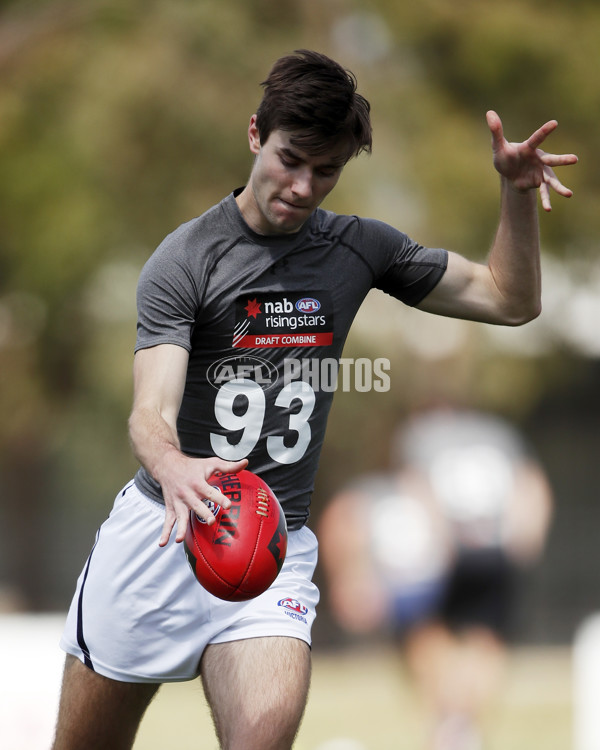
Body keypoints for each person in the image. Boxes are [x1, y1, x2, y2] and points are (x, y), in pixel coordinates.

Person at [52, 49, 576, 750]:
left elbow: (510, 302)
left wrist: (514, 194)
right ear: (254, 136)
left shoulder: (359, 250)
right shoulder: (185, 261)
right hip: (162, 534)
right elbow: (150, 412)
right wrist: (176, 467)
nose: (303, 186)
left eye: (324, 170)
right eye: (290, 159)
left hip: (271, 545)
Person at [318, 407, 554, 750]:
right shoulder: (500, 435)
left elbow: (403, 494)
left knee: (429, 640)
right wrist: (526, 539)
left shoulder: (419, 440)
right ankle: (458, 729)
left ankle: (452, 727)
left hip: (439, 559)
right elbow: (531, 485)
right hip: (490, 553)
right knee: (479, 642)